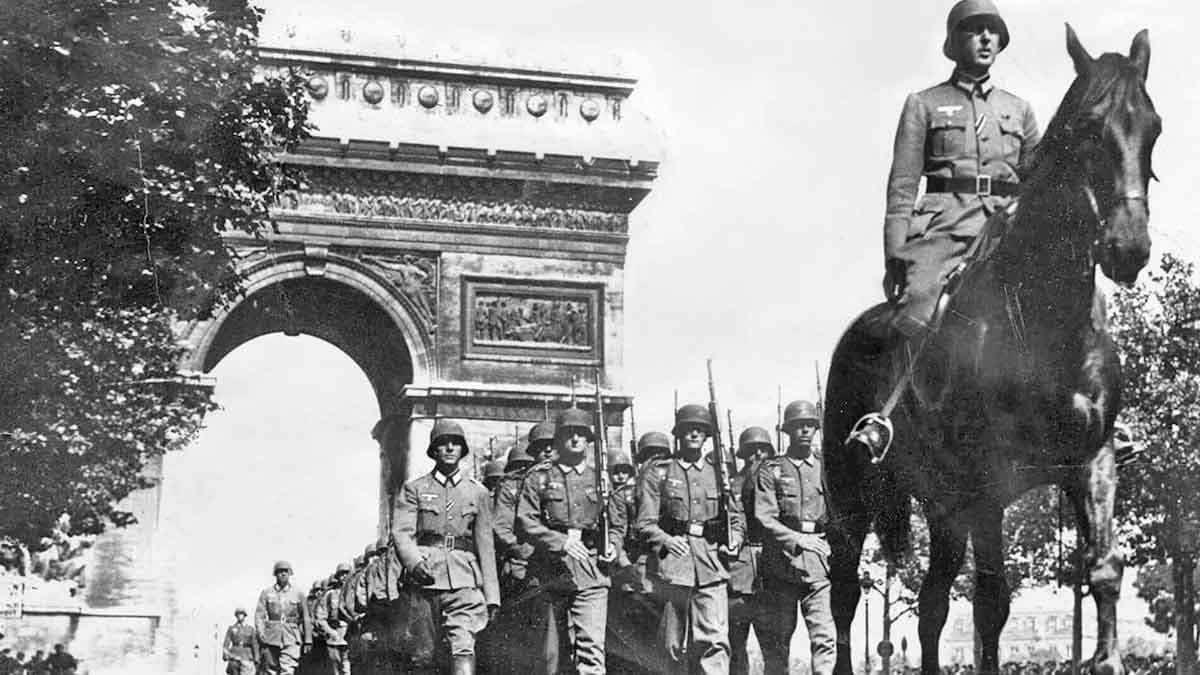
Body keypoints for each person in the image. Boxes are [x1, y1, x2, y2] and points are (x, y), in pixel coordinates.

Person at [883, 0, 1039, 338]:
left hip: (1006, 232)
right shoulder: (924, 104)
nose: (986, 38)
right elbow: (902, 188)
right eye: (975, 29)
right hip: (944, 234)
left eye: (993, 31)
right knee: (917, 313)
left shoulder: (1020, 110)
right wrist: (896, 255)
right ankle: (909, 391)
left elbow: (1038, 184)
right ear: (954, 42)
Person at [515, 408, 625, 675]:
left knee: (591, 652)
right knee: (549, 654)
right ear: (558, 439)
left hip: (590, 569)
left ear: (588, 440)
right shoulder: (539, 477)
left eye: (581, 434)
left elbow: (617, 525)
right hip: (549, 571)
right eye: (568, 434)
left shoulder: (602, 480)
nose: (575, 439)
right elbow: (524, 521)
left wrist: (612, 545)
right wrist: (558, 541)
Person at [637, 404, 745, 675]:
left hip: (711, 565)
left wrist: (736, 539)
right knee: (670, 647)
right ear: (678, 434)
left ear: (707, 435)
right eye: (688, 429)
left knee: (714, 643)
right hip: (673, 568)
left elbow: (736, 518)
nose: (694, 433)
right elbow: (645, 523)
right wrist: (666, 540)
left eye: (700, 429)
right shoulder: (659, 472)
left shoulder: (718, 474)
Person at [393, 419, 500, 674]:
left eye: (456, 443)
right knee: (423, 656)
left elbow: (485, 545)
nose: (450, 448)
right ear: (433, 451)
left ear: (463, 450)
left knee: (463, 647)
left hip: (465, 579)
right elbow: (402, 532)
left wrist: (492, 595)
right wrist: (414, 563)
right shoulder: (415, 489)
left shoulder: (478, 493)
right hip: (425, 579)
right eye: (443, 444)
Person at [754, 401, 834, 675]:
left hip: (818, 564)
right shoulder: (772, 469)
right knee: (778, 644)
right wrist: (798, 539)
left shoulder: (825, 468)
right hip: (781, 566)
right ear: (787, 430)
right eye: (799, 426)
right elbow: (764, 517)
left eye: (810, 425)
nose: (805, 430)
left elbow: (838, 514)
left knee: (824, 639)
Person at [483, 424, 547, 673]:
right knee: (518, 634)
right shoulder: (511, 487)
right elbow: (501, 528)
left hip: (554, 566)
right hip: (520, 568)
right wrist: (521, 551)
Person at [728, 427, 775, 675]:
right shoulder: (732, 484)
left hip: (771, 568)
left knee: (774, 649)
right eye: (751, 451)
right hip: (739, 571)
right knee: (736, 648)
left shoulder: (776, 480)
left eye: (763, 450)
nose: (757, 455)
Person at [255, 560, 312, 675]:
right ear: (275, 574)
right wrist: (261, 633)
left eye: (286, 571)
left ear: (290, 573)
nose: (283, 574)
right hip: (271, 637)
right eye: (280, 571)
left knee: (288, 670)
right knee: (271, 670)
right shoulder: (266, 593)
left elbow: (306, 617)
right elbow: (259, 615)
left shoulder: (298, 593)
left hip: (291, 636)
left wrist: (308, 640)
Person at [316, 563, 353, 675]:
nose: (345, 576)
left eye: (347, 573)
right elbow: (321, 617)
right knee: (335, 669)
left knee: (348, 668)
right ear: (338, 577)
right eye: (342, 574)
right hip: (335, 635)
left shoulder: (356, 592)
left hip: (351, 634)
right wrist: (330, 632)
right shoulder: (330, 595)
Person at [223, 607, 260, 675]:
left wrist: (256, 658)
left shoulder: (250, 629)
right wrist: (225, 654)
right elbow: (226, 643)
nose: (239, 616)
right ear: (236, 616)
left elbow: (255, 644)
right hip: (234, 656)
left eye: (241, 614)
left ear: (244, 615)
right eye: (238, 614)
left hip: (247, 656)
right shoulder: (232, 628)